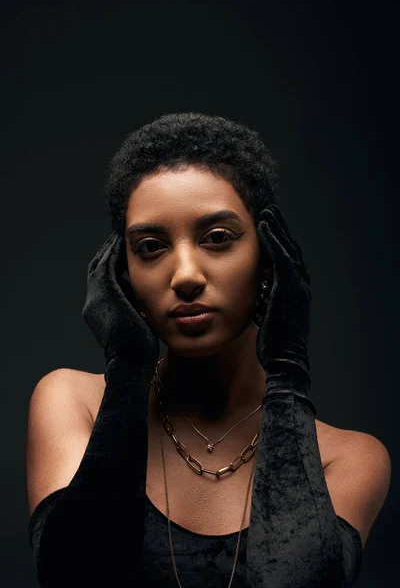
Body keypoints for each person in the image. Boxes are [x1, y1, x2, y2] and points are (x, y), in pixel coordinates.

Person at [26, 112, 391, 587]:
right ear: (121, 274)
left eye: (218, 238)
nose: (184, 276)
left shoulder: (348, 458)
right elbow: (74, 574)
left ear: (268, 255)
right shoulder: (74, 403)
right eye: (151, 247)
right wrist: (128, 367)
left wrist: (287, 369)